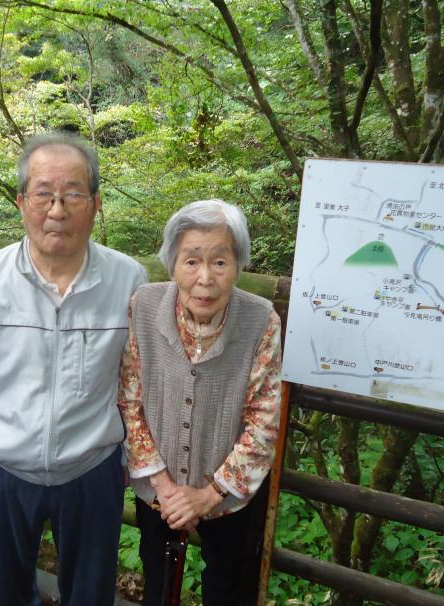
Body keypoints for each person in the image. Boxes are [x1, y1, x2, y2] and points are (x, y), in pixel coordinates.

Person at [0, 132, 147, 606]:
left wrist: (137, 454)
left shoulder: (128, 278)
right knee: (6, 591)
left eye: (73, 193)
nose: (57, 209)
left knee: (91, 593)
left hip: (93, 464)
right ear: (21, 201)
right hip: (2, 464)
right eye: (43, 194)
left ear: (94, 204)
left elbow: (138, 377)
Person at [118, 199, 282, 606]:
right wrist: (166, 488)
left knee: (227, 588)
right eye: (191, 261)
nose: (205, 278)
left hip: (227, 495)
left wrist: (209, 495)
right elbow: (129, 399)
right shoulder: (144, 305)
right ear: (172, 263)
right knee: (157, 580)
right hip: (159, 489)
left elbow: (264, 421)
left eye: (220, 262)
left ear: (238, 265)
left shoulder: (261, 320)